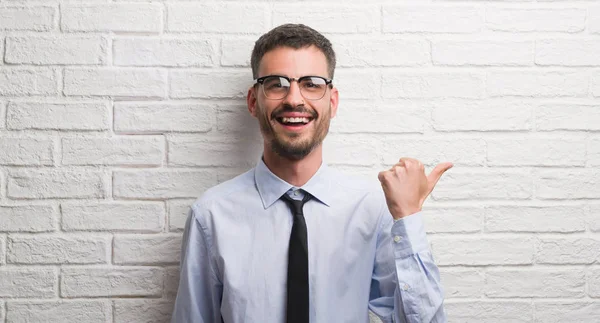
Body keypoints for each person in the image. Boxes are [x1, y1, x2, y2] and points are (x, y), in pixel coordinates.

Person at [171, 23, 452, 323]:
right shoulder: (211, 215)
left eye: (311, 83)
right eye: (277, 83)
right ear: (254, 101)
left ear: (332, 101)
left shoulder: (373, 210)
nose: (294, 99)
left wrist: (407, 218)